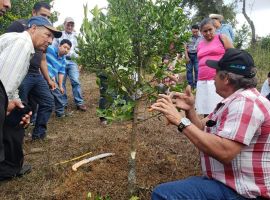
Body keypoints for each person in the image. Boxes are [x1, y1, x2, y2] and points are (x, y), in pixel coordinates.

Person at [151, 48, 270, 199]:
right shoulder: (232, 102)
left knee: (164, 195)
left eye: (216, 73)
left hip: (242, 192)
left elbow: (225, 152)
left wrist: (179, 120)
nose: (213, 78)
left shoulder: (245, 103)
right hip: (229, 183)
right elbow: (203, 128)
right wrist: (190, 111)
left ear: (225, 78)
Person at [0, 16, 62, 181]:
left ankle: (9, 166)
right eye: (47, 35)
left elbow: (10, 83)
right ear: (33, 28)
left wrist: (16, 103)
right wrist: (7, 106)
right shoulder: (22, 44)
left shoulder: (22, 43)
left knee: (21, 111)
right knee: (15, 117)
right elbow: (4, 83)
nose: (50, 41)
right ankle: (6, 166)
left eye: (52, 38)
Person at [6, 1, 56, 140]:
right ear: (34, 13)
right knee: (19, 107)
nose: (46, 19)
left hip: (36, 74)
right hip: (22, 74)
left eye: (48, 17)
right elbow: (8, 50)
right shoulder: (19, 27)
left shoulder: (44, 34)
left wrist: (48, 79)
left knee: (47, 101)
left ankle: (38, 135)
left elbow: (43, 59)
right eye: (43, 15)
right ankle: (15, 140)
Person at [196, 18, 233, 116]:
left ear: (214, 28)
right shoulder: (200, 44)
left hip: (218, 79)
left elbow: (233, 55)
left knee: (219, 108)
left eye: (210, 30)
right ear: (201, 32)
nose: (208, 33)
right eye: (205, 31)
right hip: (202, 80)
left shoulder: (222, 38)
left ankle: (219, 130)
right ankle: (207, 128)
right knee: (206, 109)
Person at [53, 17, 87, 112]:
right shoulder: (59, 35)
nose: (70, 26)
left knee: (75, 81)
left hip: (73, 61)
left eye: (72, 25)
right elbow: (54, 48)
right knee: (61, 83)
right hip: (61, 61)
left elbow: (82, 49)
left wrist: (81, 63)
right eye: (68, 24)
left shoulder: (77, 36)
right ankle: (63, 103)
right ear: (64, 24)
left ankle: (79, 102)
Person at [46, 39, 72, 118]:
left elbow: (61, 73)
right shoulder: (50, 49)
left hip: (52, 79)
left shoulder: (63, 60)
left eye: (68, 49)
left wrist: (60, 85)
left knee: (58, 93)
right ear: (59, 46)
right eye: (64, 47)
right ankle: (34, 119)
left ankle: (60, 113)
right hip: (42, 75)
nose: (66, 50)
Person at [184, 24, 201, 89]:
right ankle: (190, 86)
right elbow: (185, 47)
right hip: (189, 55)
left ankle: (197, 86)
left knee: (197, 70)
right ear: (191, 31)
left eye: (196, 31)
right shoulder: (188, 37)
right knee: (189, 70)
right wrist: (187, 56)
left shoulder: (201, 37)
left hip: (197, 55)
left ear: (198, 30)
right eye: (193, 32)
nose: (195, 33)